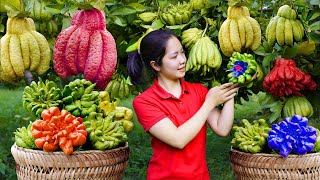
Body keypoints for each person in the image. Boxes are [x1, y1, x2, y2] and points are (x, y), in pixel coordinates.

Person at [127, 29, 239, 180]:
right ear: (155, 65)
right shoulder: (145, 102)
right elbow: (178, 140)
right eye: (174, 56)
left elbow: (222, 128)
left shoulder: (199, 91)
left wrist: (232, 89)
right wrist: (209, 103)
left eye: (182, 52)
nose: (182, 60)